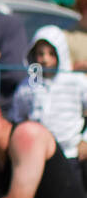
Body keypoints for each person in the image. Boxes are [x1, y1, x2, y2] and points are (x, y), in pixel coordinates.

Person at [9, 26, 87, 159]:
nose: (45, 60)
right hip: (38, 155)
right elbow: (17, 116)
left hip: (70, 154)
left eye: (51, 54)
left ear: (60, 53)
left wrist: (85, 141)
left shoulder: (77, 82)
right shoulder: (27, 86)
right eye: (40, 54)